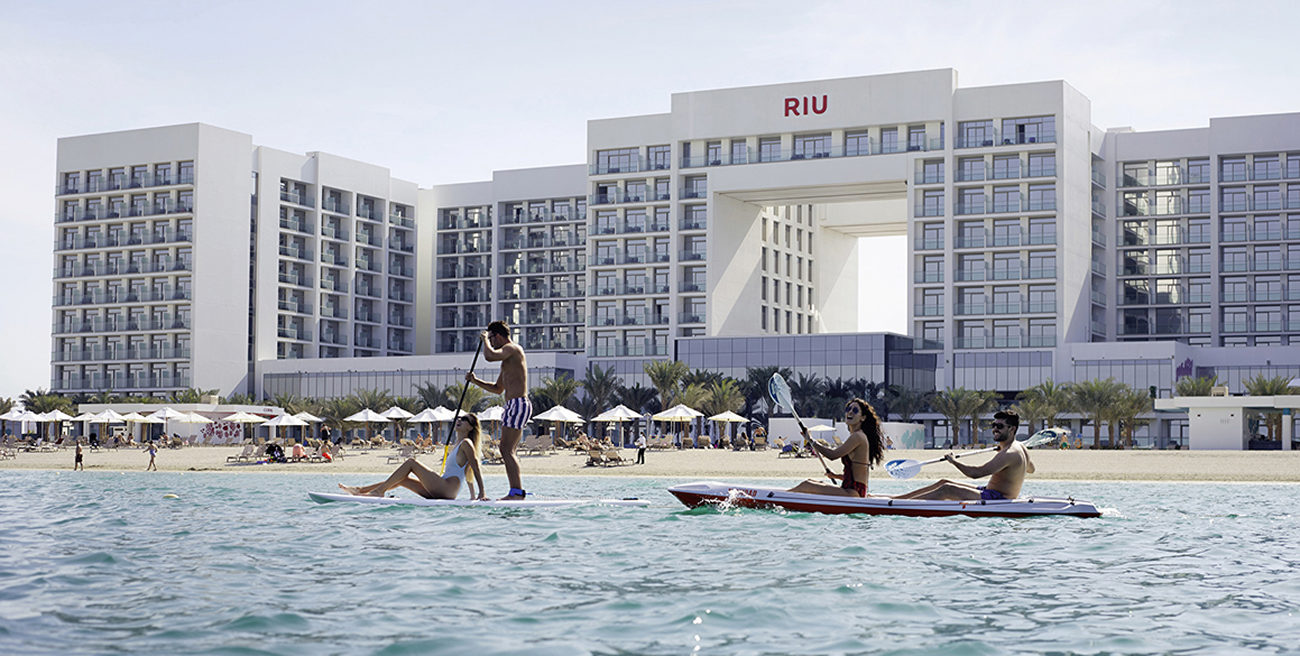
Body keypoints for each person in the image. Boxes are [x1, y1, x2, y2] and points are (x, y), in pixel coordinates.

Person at [894, 410, 1035, 501]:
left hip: (997, 498)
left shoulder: (1009, 453)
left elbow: (976, 473)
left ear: (1012, 429)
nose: (994, 429)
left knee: (947, 489)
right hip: (989, 491)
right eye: (994, 425)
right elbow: (1030, 469)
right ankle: (898, 499)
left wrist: (954, 461)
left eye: (999, 426)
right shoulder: (1021, 448)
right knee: (943, 482)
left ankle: (903, 505)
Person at [339, 413, 486, 500]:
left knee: (411, 463)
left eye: (465, 419)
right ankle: (360, 490)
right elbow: (467, 472)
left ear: (471, 427)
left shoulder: (466, 443)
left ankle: (378, 492)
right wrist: (472, 497)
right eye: (459, 418)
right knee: (403, 480)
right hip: (443, 488)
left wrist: (482, 493)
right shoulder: (458, 444)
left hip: (446, 488)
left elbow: (475, 467)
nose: (459, 420)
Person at [465, 320, 530, 499]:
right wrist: (475, 380)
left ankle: (516, 492)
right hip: (512, 405)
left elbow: (489, 356)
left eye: (492, 338)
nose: (491, 342)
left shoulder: (513, 349)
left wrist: (484, 340)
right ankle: (516, 491)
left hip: (518, 403)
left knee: (506, 450)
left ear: (498, 336)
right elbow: (497, 389)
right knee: (507, 449)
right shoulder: (507, 360)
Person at [787, 398, 885, 497]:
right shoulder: (858, 436)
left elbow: (832, 455)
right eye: (848, 409)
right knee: (811, 481)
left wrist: (811, 440)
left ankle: (777, 498)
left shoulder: (858, 436)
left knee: (806, 485)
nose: (850, 412)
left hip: (853, 493)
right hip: (853, 492)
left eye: (855, 410)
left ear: (863, 418)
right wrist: (835, 476)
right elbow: (856, 477)